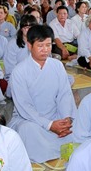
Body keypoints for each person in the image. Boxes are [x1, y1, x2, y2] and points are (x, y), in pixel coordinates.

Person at [8, 25, 77, 162]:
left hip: (55, 115)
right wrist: (49, 125)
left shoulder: (57, 65)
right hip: (30, 119)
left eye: (48, 45)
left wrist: (66, 119)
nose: (45, 50)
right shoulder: (19, 72)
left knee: (78, 125)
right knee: (28, 130)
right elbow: (24, 107)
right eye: (40, 46)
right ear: (29, 46)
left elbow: (64, 95)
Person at [3, 14, 36, 81]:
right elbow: (10, 69)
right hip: (17, 78)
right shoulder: (13, 44)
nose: (28, 30)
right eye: (26, 27)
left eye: (31, 27)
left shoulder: (39, 43)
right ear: (21, 28)